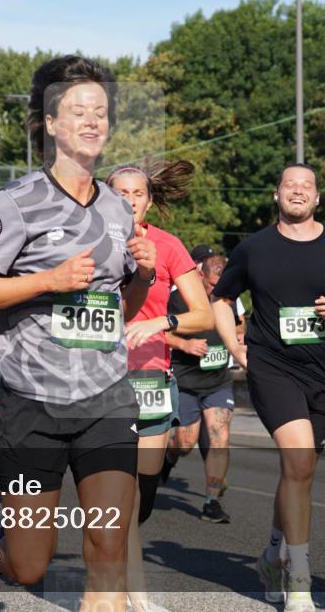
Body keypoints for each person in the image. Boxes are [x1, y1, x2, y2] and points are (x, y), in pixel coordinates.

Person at [0, 55, 157, 612]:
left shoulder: (119, 210)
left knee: (110, 546)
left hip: (106, 396)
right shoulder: (19, 202)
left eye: (101, 111)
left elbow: (124, 306)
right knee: (30, 565)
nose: (93, 121)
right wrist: (49, 279)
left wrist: (142, 273)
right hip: (33, 401)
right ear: (50, 124)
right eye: (78, 111)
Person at [212, 163, 325, 611]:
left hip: (321, 375)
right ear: (276, 195)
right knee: (298, 461)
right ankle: (300, 581)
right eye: (289, 185)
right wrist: (236, 350)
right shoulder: (254, 248)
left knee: (300, 472)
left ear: (316, 198)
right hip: (272, 368)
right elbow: (220, 298)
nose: (297, 191)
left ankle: (273, 553)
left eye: (306, 186)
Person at [107, 160, 212, 612]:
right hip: (99, 382)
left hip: (151, 381)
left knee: (143, 495)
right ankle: (136, 594)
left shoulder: (168, 246)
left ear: (149, 201)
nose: (130, 200)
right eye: (121, 192)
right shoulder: (87, 239)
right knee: (121, 495)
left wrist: (162, 325)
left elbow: (203, 315)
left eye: (138, 193)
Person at [164, 253, 235, 522]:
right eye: (213, 284)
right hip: (186, 381)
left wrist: (239, 339)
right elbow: (159, 331)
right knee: (185, 442)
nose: (218, 290)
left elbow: (239, 325)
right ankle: (168, 459)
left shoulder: (229, 298)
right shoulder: (180, 298)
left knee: (220, 436)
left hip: (218, 381)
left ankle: (211, 502)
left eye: (223, 284)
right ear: (201, 275)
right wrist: (184, 344)